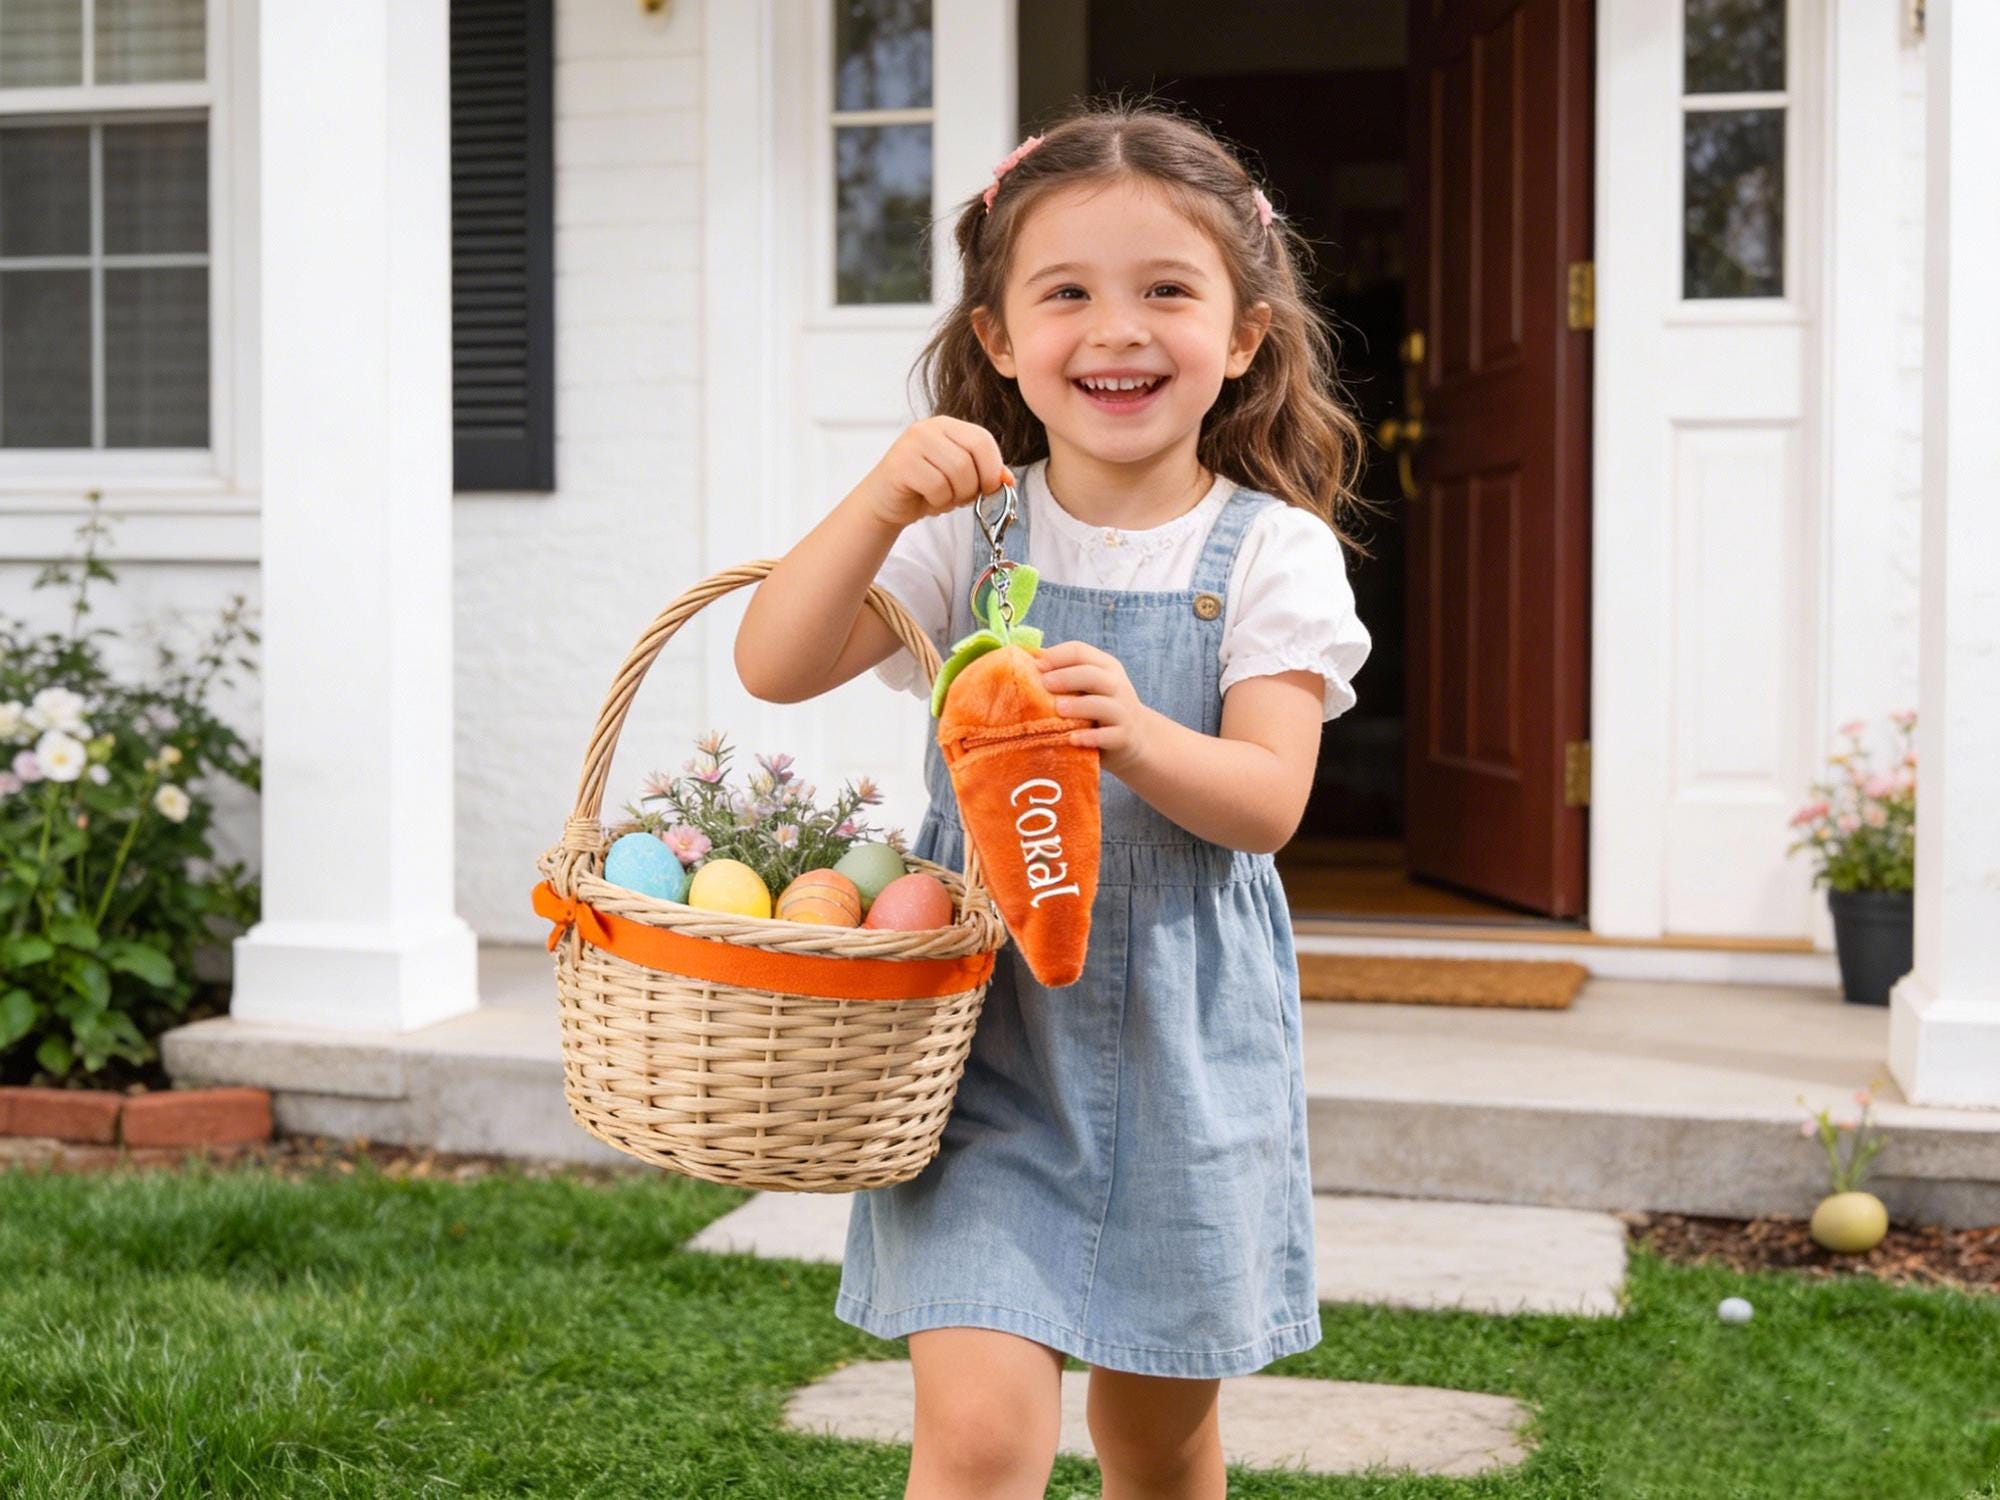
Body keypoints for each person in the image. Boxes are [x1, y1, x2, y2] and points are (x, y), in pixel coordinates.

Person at [734, 100, 1375, 1500]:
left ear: (1245, 333)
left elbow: (1267, 802)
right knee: (976, 1436)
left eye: (1167, 291)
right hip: (983, 1044)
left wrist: (1140, 737)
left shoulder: (1273, 555)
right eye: (1066, 293)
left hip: (1182, 1045)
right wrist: (876, 503)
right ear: (1000, 341)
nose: (1117, 329)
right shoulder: (972, 533)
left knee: (1155, 1440)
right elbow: (773, 664)